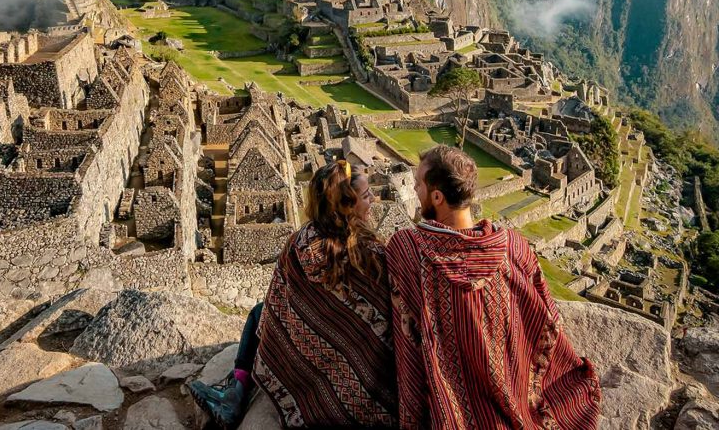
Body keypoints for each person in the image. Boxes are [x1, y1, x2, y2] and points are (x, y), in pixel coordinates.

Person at [385, 144, 602, 429]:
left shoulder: (408, 249)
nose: (414, 189)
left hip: (451, 415)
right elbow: (547, 318)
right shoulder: (513, 246)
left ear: (437, 197)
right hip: (519, 400)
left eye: (418, 185)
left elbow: (407, 338)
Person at [190, 160, 397, 429]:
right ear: (347, 204)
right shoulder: (371, 256)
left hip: (299, 361)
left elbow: (279, 299)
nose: (373, 199)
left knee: (260, 312)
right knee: (263, 311)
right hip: (359, 374)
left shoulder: (300, 243)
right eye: (367, 195)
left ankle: (236, 390)